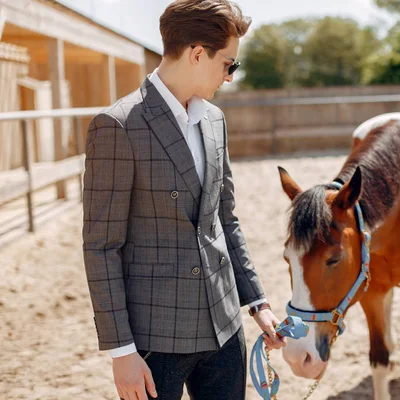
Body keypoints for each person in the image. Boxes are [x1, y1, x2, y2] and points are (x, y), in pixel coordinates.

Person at [82, 1, 285, 399]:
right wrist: (121, 350)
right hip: (155, 339)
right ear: (197, 54)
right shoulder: (117, 125)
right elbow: (101, 246)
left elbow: (226, 219)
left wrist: (257, 302)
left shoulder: (214, 120)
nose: (229, 77)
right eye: (229, 64)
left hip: (224, 328)